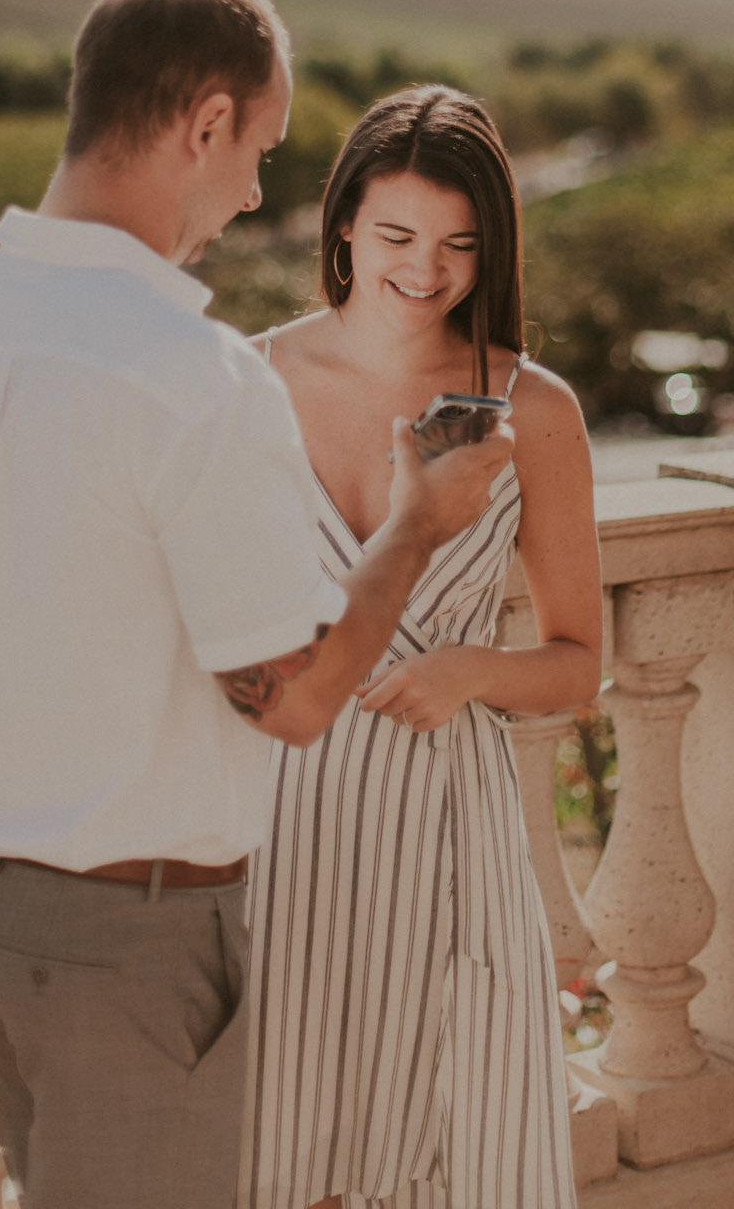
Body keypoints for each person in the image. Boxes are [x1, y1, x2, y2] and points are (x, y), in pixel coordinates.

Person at [0, 0, 513, 1209]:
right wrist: (416, 527)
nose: (257, 189)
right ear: (204, 122)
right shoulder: (190, 372)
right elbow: (299, 696)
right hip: (124, 946)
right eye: (259, 147)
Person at [240, 85, 603, 1209]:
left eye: (460, 243)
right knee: (273, 1154)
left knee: (457, 1161)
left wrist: (471, 670)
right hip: (269, 828)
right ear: (342, 223)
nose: (426, 267)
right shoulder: (240, 383)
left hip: (444, 836)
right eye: (397, 234)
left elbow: (578, 658)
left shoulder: (529, 406)